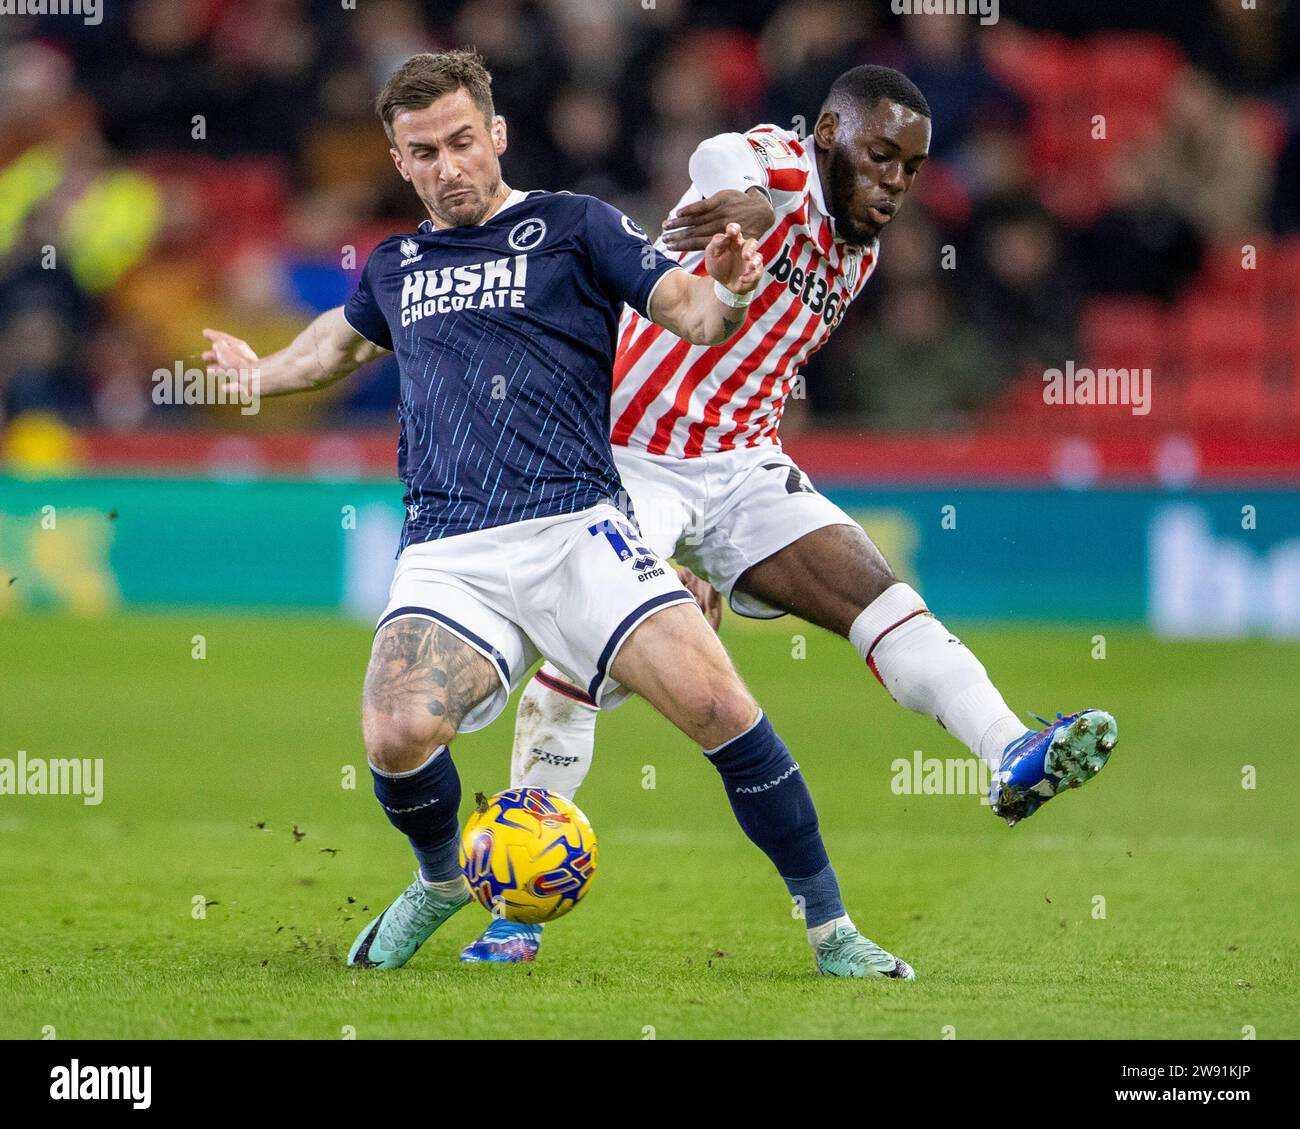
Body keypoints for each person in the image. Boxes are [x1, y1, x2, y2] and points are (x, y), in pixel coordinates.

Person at [202, 49, 915, 980]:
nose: (448, 164)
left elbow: (691, 312)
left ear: (496, 135)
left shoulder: (574, 227)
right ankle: (440, 877)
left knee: (721, 708)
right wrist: (260, 373)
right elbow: (336, 343)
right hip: (451, 547)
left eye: (463, 140)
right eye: (424, 152)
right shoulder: (397, 263)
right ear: (399, 162)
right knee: (394, 732)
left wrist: (732, 285)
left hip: (579, 528)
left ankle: (833, 929)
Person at [463, 65, 1118, 964]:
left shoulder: (864, 251)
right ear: (826, 136)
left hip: (737, 463)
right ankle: (513, 917)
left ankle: (1010, 750)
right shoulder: (780, 169)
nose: (892, 181)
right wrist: (741, 198)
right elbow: (721, 150)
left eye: (911, 169)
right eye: (879, 155)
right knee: (584, 667)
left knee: (880, 595)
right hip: (628, 458)